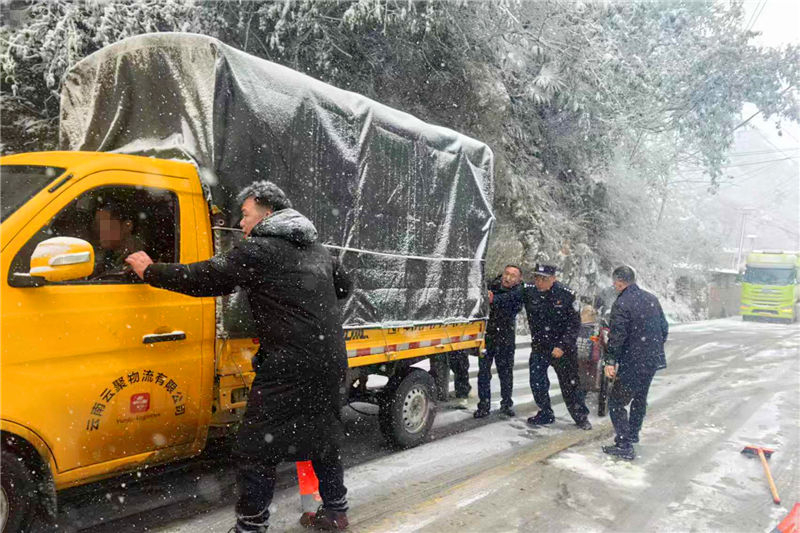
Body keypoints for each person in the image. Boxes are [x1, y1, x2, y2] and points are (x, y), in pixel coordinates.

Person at [126, 181, 352, 532]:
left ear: (268, 212)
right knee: (322, 437)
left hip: (288, 365)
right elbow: (344, 286)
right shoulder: (319, 251)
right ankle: (336, 512)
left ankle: (251, 527)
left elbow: (205, 277)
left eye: (246, 215)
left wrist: (151, 271)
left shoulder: (259, 250)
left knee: (255, 449)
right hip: (329, 360)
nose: (241, 223)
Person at [497, 263, 592, 430]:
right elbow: (509, 298)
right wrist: (492, 298)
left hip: (562, 349)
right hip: (540, 346)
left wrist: (562, 346)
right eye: (537, 278)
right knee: (537, 381)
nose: (539, 282)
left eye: (543, 279)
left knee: (570, 385)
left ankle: (580, 416)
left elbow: (574, 325)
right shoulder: (529, 290)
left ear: (553, 279)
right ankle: (545, 412)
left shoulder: (566, 295)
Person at [601, 266, 668, 460]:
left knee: (616, 402)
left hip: (633, 360)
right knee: (640, 397)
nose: (614, 285)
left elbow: (617, 336)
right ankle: (633, 434)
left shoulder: (622, 303)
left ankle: (624, 444)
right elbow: (664, 328)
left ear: (619, 282)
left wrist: (610, 361)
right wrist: (651, 348)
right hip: (651, 359)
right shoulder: (651, 299)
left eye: (615, 282)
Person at [474, 265, 523, 418]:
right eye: (506, 273)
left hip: (505, 336)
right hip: (488, 335)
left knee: (505, 372)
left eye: (513, 275)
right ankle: (483, 405)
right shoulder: (492, 285)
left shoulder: (519, 291)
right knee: (483, 372)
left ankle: (506, 403)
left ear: (518, 279)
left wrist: (493, 299)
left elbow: (511, 302)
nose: (508, 277)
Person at [93, 201, 145, 278]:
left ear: (127, 226)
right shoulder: (105, 257)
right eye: (97, 225)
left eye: (105, 225)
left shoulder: (142, 261)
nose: (99, 230)